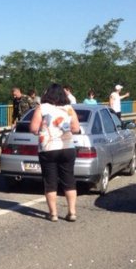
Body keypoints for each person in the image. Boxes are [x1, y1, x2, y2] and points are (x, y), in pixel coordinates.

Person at [30, 83, 80, 222]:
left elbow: (33, 128)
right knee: (69, 180)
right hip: (67, 147)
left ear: (48, 94)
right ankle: (72, 212)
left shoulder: (42, 108)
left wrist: (42, 130)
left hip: (48, 148)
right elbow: (76, 128)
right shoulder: (69, 108)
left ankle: (53, 214)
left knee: (50, 181)